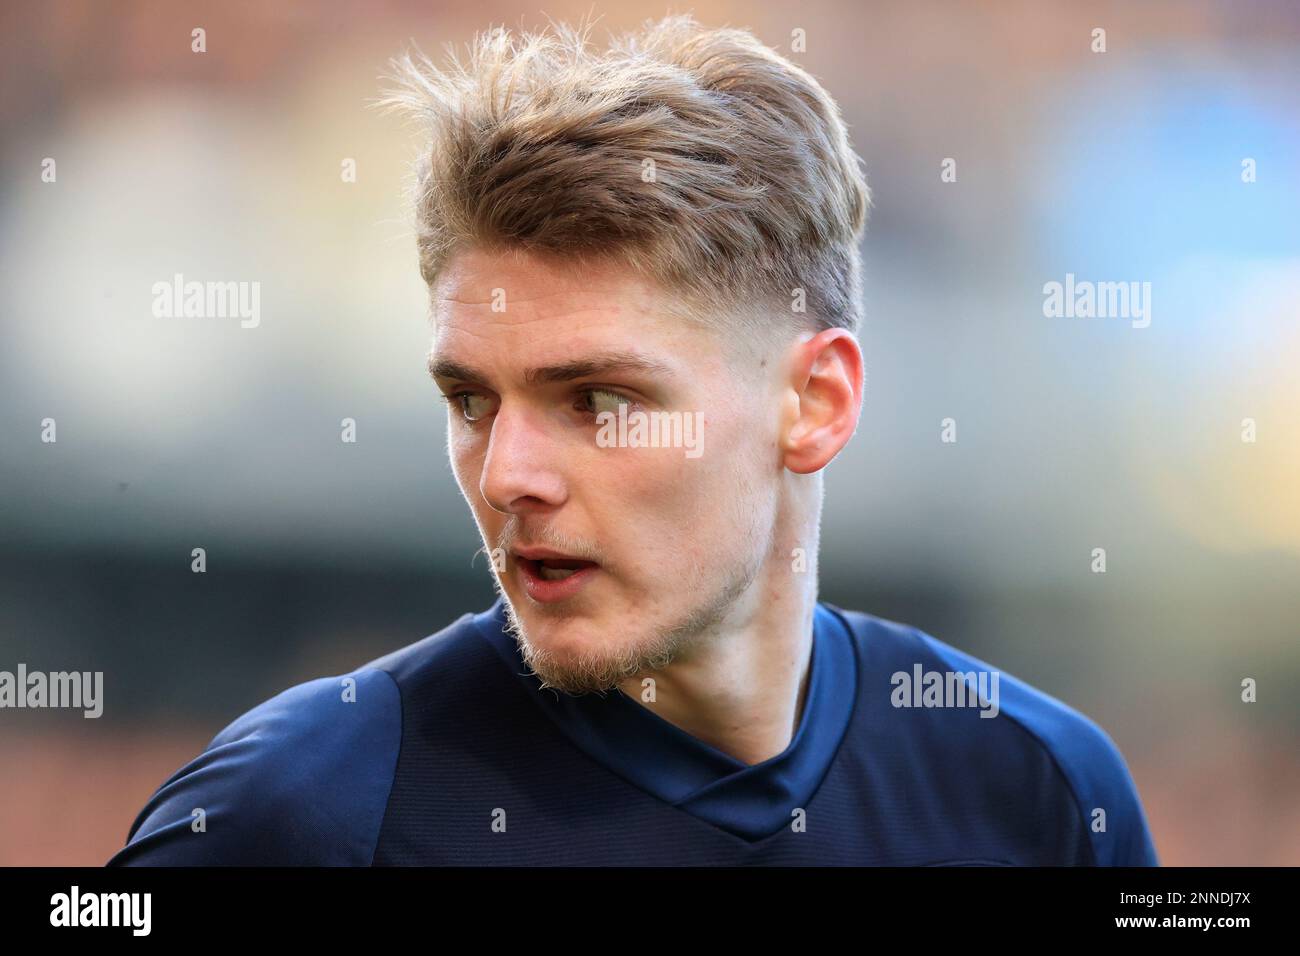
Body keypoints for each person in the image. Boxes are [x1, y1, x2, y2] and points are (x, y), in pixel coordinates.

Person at [109, 14, 1157, 866]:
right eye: (471, 400)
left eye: (599, 401)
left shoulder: (1041, 794)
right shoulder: (292, 815)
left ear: (817, 402)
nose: (509, 474)